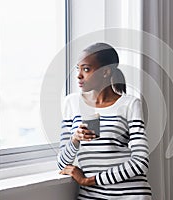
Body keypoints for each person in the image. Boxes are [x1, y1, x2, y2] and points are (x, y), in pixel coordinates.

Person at [57, 43, 152, 199]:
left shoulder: (129, 104)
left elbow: (140, 161)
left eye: (86, 69)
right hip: (91, 196)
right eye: (78, 69)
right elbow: (62, 164)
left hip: (130, 195)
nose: (79, 75)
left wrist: (90, 180)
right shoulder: (71, 103)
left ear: (106, 72)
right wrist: (75, 139)